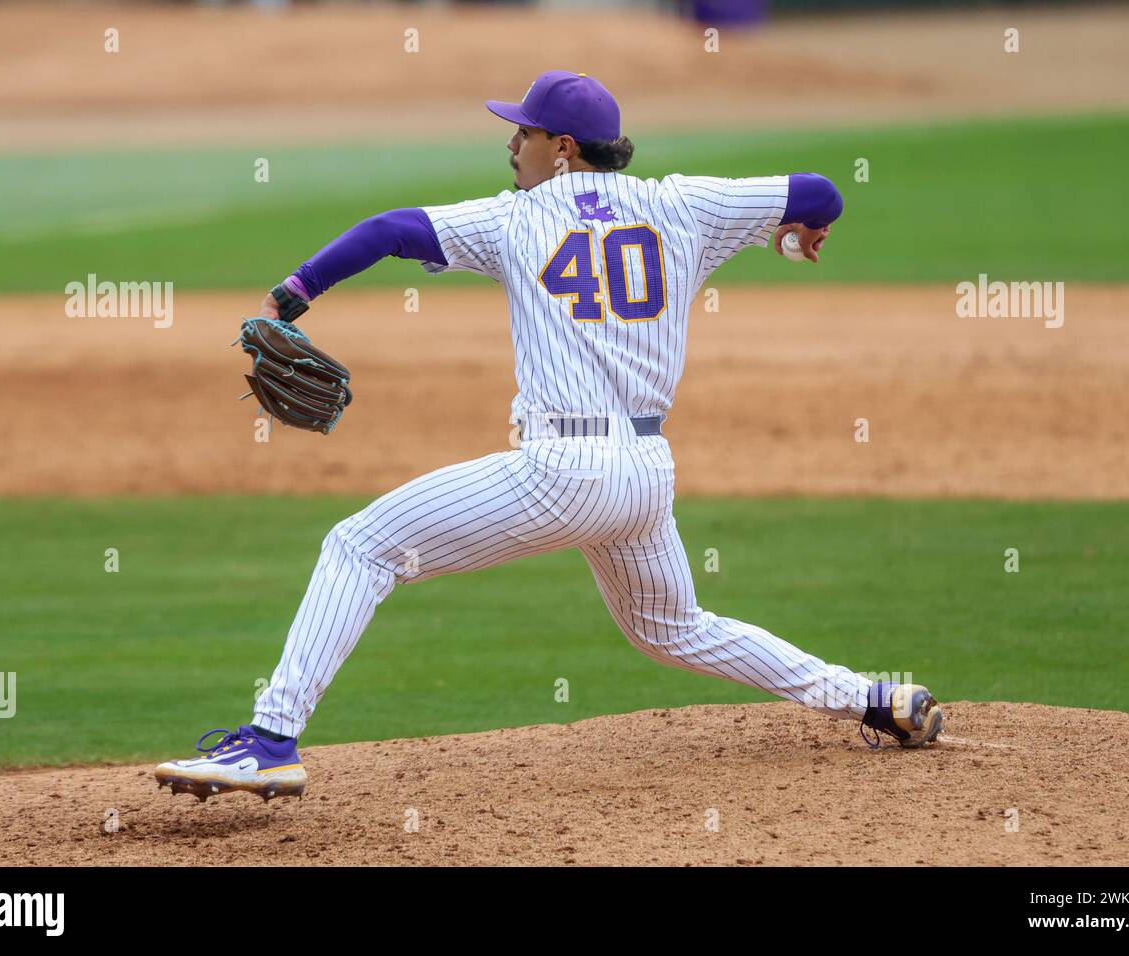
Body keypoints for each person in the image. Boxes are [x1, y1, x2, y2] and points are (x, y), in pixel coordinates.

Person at [154, 70, 944, 803]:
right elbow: (821, 190)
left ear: (562, 150)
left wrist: (289, 296)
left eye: (523, 133)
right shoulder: (684, 205)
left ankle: (268, 740)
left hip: (561, 472)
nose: (511, 144)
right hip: (643, 475)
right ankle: (874, 696)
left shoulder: (513, 218)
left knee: (360, 545)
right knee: (675, 629)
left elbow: (388, 229)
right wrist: (791, 234)